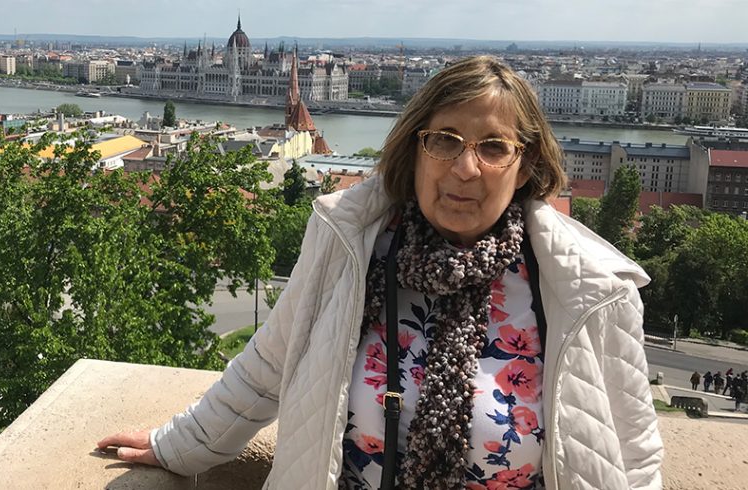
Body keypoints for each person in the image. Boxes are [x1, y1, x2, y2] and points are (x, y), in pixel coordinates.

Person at [98, 56, 664, 489]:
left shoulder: (588, 287)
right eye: (444, 141)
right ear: (413, 150)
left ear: (525, 166)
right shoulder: (352, 242)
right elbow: (269, 367)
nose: (466, 168)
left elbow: (633, 453)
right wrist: (178, 444)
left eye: (493, 147)